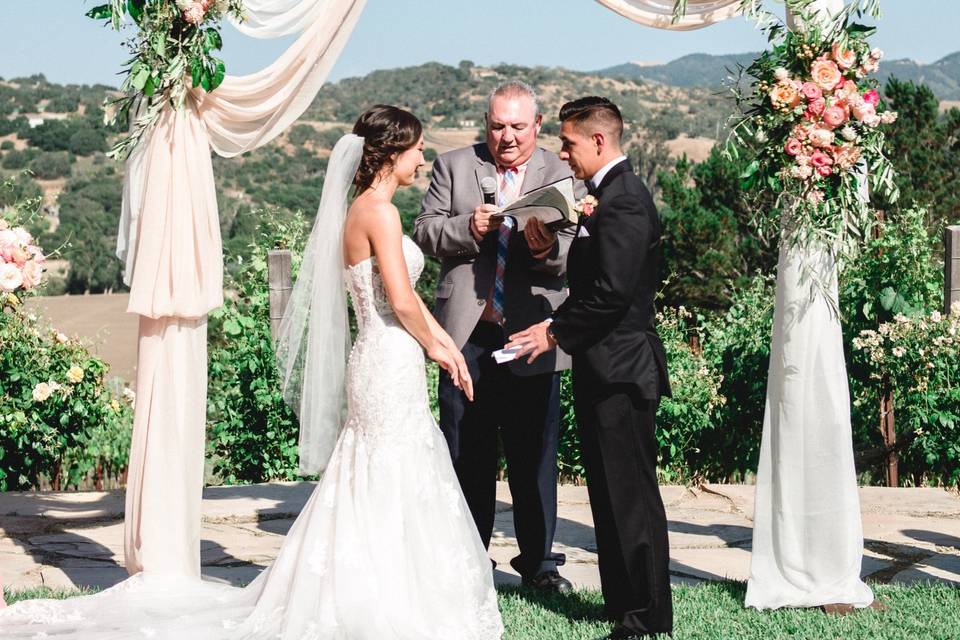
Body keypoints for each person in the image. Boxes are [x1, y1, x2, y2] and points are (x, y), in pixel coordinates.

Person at [0, 105, 504, 640]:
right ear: (392, 152)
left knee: (377, 472)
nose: (423, 158)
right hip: (387, 357)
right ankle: (389, 595)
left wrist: (444, 342)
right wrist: (441, 351)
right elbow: (401, 301)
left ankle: (381, 584)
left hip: (383, 355)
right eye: (418, 148)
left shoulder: (364, 209)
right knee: (389, 469)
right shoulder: (380, 213)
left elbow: (400, 299)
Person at [507, 97, 672, 639]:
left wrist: (552, 331)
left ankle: (645, 618)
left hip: (623, 368)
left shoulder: (623, 201)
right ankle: (622, 604)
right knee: (607, 494)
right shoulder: (604, 197)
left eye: (569, 143)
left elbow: (612, 294)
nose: (564, 153)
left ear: (598, 141)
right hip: (603, 366)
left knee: (631, 497)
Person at [413, 81, 580, 591]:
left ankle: (540, 565)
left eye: (517, 127)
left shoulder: (562, 171)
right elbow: (423, 231)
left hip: (533, 334)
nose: (506, 137)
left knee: (535, 456)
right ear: (486, 124)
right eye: (497, 126)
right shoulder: (454, 165)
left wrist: (545, 247)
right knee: (467, 452)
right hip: (470, 335)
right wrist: (470, 227)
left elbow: (576, 252)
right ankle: (469, 558)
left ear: (537, 125)